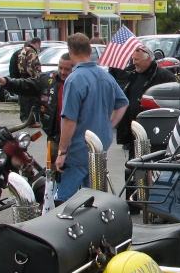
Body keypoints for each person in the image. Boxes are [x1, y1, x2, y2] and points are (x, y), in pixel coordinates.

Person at [54, 34, 128, 202]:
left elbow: (69, 120)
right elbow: (123, 103)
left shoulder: (74, 79)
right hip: (100, 147)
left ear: (70, 51)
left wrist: (62, 151)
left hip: (78, 149)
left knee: (63, 200)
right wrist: (109, 126)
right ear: (89, 51)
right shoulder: (105, 76)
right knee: (94, 198)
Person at [0, 52, 73, 164]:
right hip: (55, 137)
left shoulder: (78, 83)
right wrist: (7, 82)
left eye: (67, 69)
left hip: (76, 139)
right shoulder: (47, 79)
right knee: (55, 171)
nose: (62, 72)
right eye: (60, 68)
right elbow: (26, 85)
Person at [117, 45, 176, 156]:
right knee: (133, 168)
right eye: (133, 59)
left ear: (148, 59)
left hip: (156, 134)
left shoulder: (165, 77)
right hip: (134, 133)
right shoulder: (132, 76)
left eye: (136, 60)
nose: (134, 63)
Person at [12, 37, 41, 126]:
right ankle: (32, 121)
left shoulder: (20, 51)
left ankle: (24, 118)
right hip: (30, 78)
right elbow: (31, 67)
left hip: (21, 77)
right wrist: (36, 77)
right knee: (32, 100)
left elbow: (13, 66)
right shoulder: (31, 52)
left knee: (23, 99)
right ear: (37, 43)